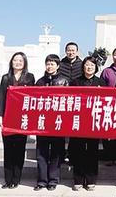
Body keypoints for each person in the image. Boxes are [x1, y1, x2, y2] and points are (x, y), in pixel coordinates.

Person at [0, 52, 36, 189]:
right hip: (8, 117)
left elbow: (33, 97)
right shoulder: (6, 78)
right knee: (8, 150)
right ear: (11, 62)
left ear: (24, 63)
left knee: (19, 149)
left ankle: (16, 179)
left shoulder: (29, 77)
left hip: (22, 118)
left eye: (20, 60)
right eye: (15, 60)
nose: (17, 62)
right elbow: (1, 97)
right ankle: (7, 180)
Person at [69, 56, 107, 191]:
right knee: (78, 151)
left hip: (93, 122)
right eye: (87, 64)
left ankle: (91, 179)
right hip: (78, 121)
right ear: (83, 66)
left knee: (92, 151)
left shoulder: (101, 82)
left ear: (96, 67)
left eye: (92, 65)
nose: (89, 67)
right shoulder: (75, 82)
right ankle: (78, 179)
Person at [34, 54, 69, 191]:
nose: (49, 66)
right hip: (42, 122)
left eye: (52, 64)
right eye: (48, 64)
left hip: (58, 123)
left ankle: (53, 180)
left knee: (56, 154)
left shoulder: (64, 81)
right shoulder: (39, 82)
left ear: (58, 66)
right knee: (41, 154)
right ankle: (42, 181)